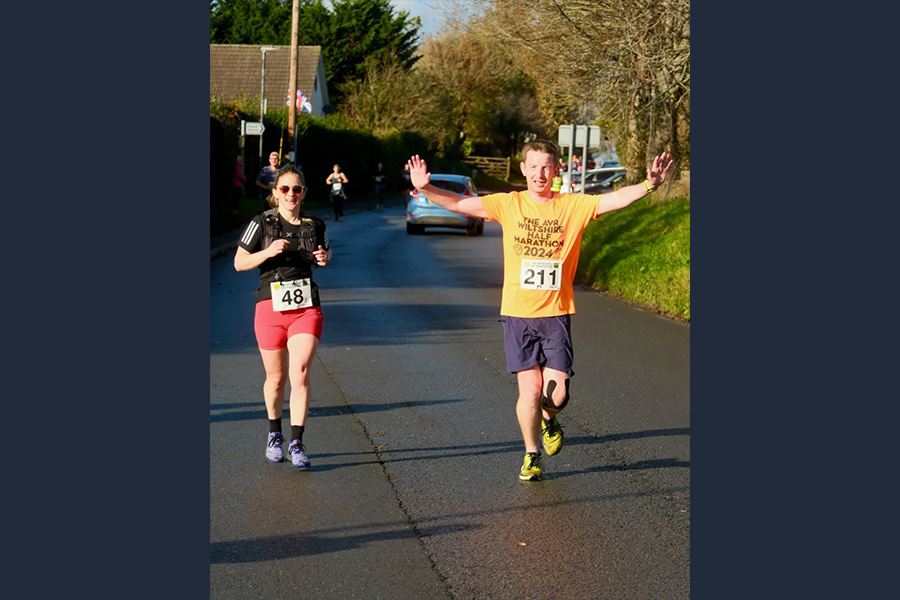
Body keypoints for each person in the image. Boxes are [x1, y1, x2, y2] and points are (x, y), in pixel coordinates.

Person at [407, 140, 672, 482]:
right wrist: (425, 187)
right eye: (533, 166)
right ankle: (531, 455)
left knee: (556, 396)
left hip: (556, 314)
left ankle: (551, 418)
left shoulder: (571, 206)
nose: (539, 173)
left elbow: (614, 199)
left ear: (557, 169)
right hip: (517, 315)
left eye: (546, 166)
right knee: (529, 391)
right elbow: (459, 202)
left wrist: (649, 184)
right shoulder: (509, 204)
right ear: (523, 170)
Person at [234, 165, 332, 469]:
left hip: (306, 308)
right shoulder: (260, 223)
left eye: (297, 189)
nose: (292, 194)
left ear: (304, 192)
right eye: (285, 189)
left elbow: (325, 253)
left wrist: (324, 258)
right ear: (275, 192)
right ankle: (274, 433)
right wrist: (267, 252)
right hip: (270, 308)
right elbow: (239, 262)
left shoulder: (315, 224)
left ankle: (297, 442)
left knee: (300, 373)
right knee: (276, 379)